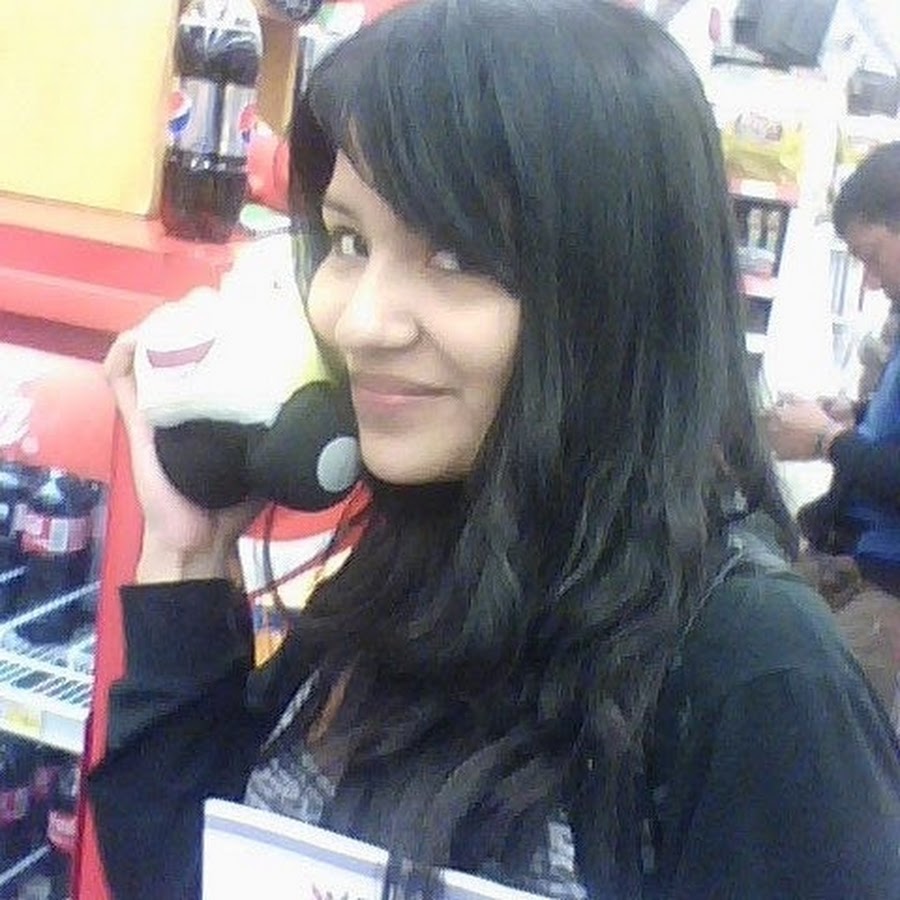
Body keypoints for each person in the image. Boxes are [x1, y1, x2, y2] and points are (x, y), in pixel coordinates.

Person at [88, 2, 900, 898]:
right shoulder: (415, 562)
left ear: (612, 292)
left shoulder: (755, 676)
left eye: (454, 257)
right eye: (350, 241)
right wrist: (187, 556)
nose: (360, 322)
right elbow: (183, 877)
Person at [767, 141, 900, 708]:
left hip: (889, 594)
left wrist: (830, 440)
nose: (869, 280)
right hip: (859, 562)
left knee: (809, 716)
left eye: (872, 256)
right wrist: (857, 417)